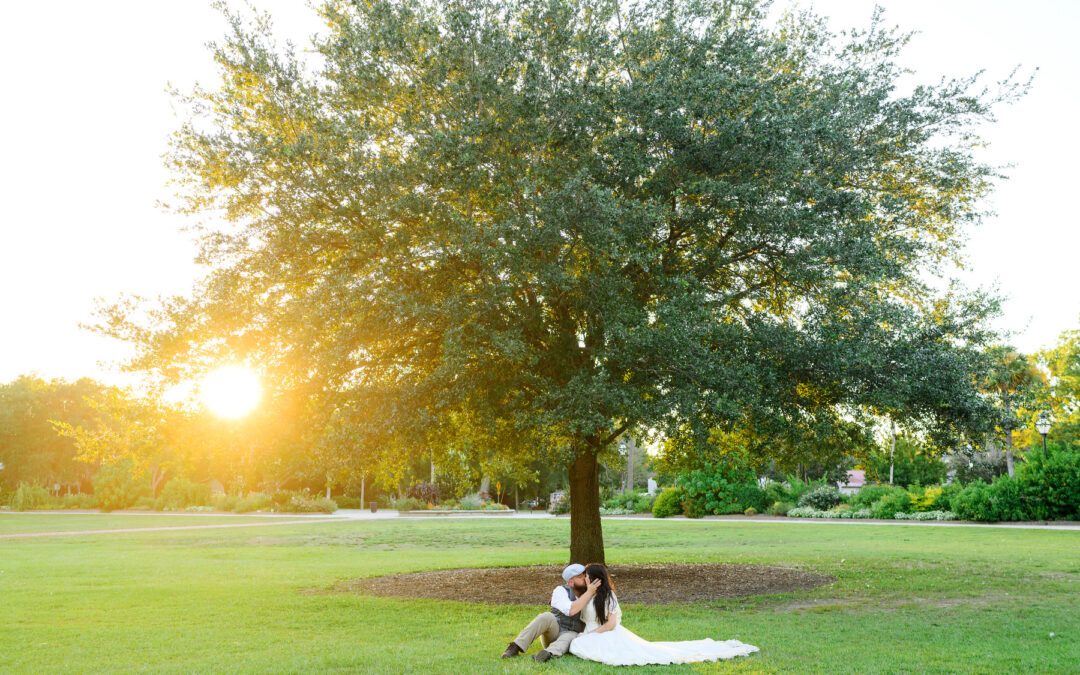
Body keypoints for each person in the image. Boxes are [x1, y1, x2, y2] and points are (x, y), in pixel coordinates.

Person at [568, 563, 759, 666]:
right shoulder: (585, 595)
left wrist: (593, 634)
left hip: (604, 632)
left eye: (586, 576)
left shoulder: (609, 597)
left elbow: (611, 624)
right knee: (578, 645)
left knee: (598, 648)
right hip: (592, 631)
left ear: (594, 579)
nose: (583, 578)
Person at [501, 563, 594, 662]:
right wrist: (589, 593)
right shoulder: (560, 591)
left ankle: (547, 654)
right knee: (546, 616)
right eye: (580, 577)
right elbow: (571, 610)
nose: (585, 579)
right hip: (554, 631)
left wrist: (590, 593)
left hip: (571, 634)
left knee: (570, 636)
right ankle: (515, 647)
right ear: (571, 582)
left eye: (585, 575)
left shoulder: (592, 593)